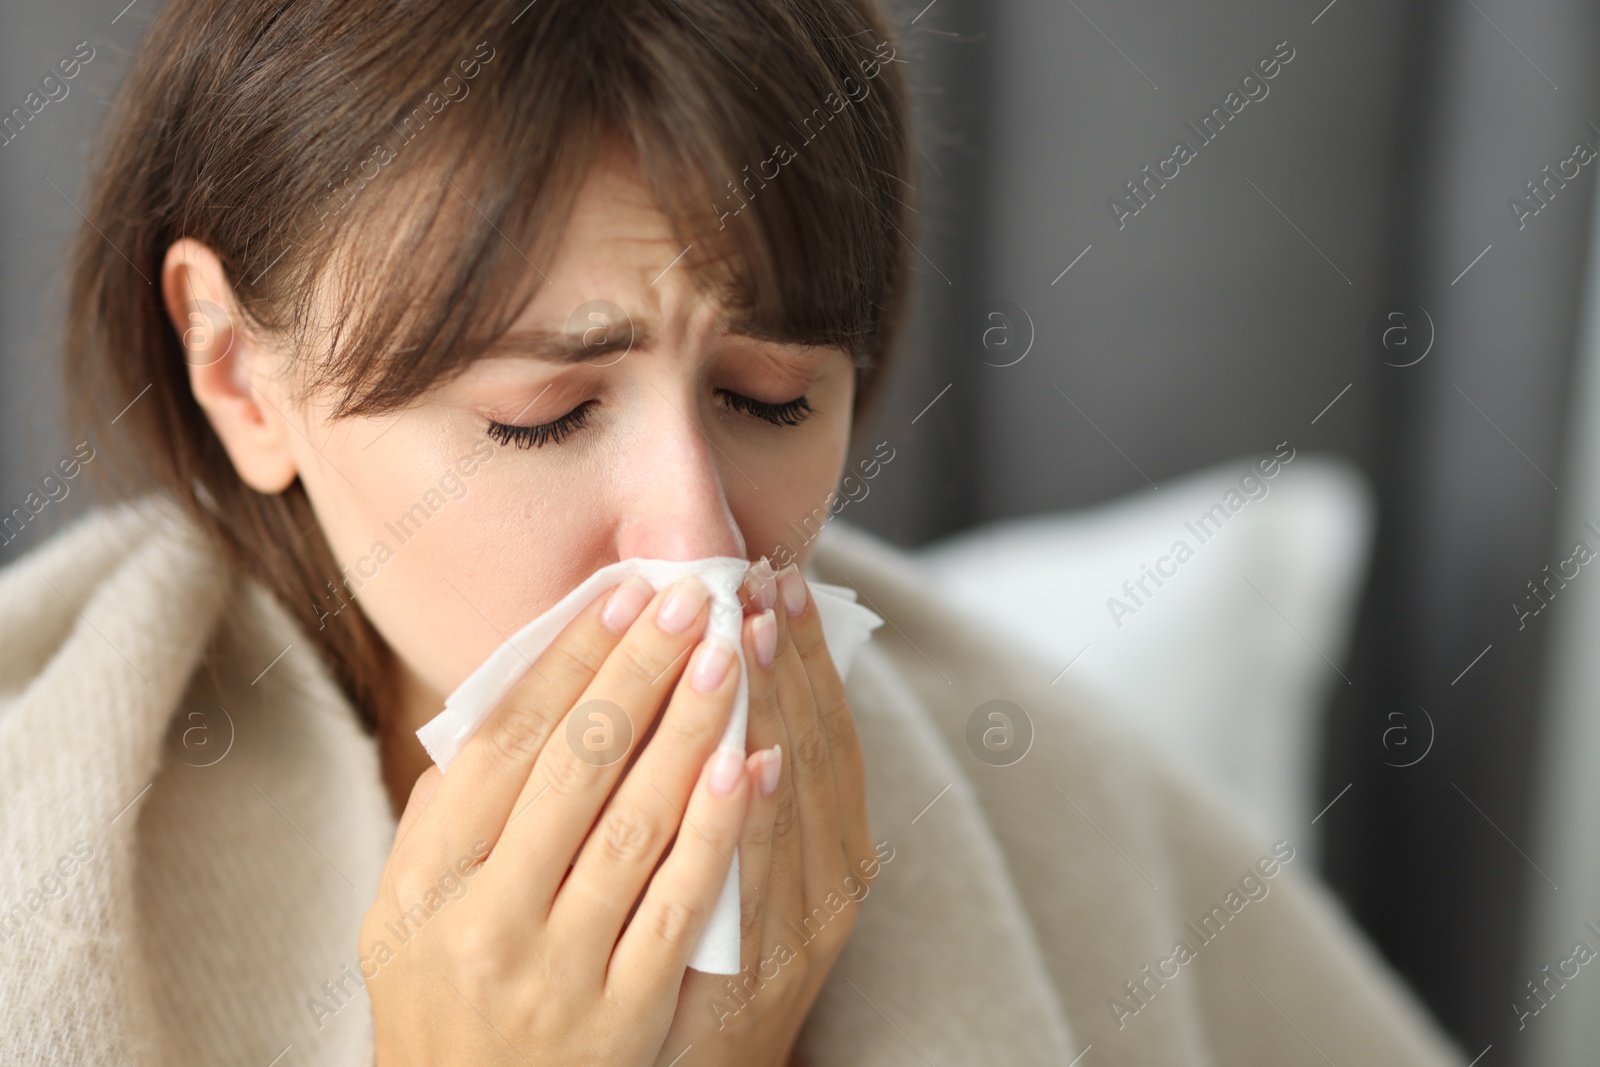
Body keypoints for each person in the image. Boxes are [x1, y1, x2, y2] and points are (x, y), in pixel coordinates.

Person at [0, 0, 1464, 1064]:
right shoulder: (41, 851)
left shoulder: (1051, 794)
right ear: (236, 366)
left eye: (769, 398)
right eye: (541, 416)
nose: (693, 540)